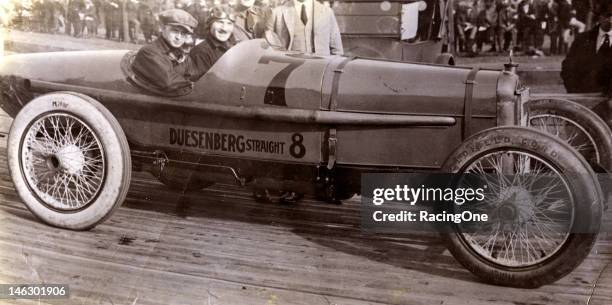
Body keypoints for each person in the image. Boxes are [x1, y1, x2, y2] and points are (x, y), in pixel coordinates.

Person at [132, 9, 198, 94]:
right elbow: (168, 81)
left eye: (183, 34)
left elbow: (193, 75)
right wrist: (192, 83)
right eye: (175, 31)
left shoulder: (181, 53)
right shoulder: (149, 52)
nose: (178, 37)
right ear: (162, 28)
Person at [561, 2, 612, 93]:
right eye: (608, 16)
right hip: (583, 96)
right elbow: (568, 67)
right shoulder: (582, 40)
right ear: (600, 17)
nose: (611, 20)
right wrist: (574, 90)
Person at [266, 0, 343, 55]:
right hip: (289, 71)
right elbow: (269, 46)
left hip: (320, 70)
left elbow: (337, 49)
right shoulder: (277, 13)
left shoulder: (327, 12)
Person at [189, 6, 237, 80]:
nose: (224, 28)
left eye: (229, 23)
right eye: (220, 22)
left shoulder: (235, 47)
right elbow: (204, 85)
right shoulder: (201, 52)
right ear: (210, 24)